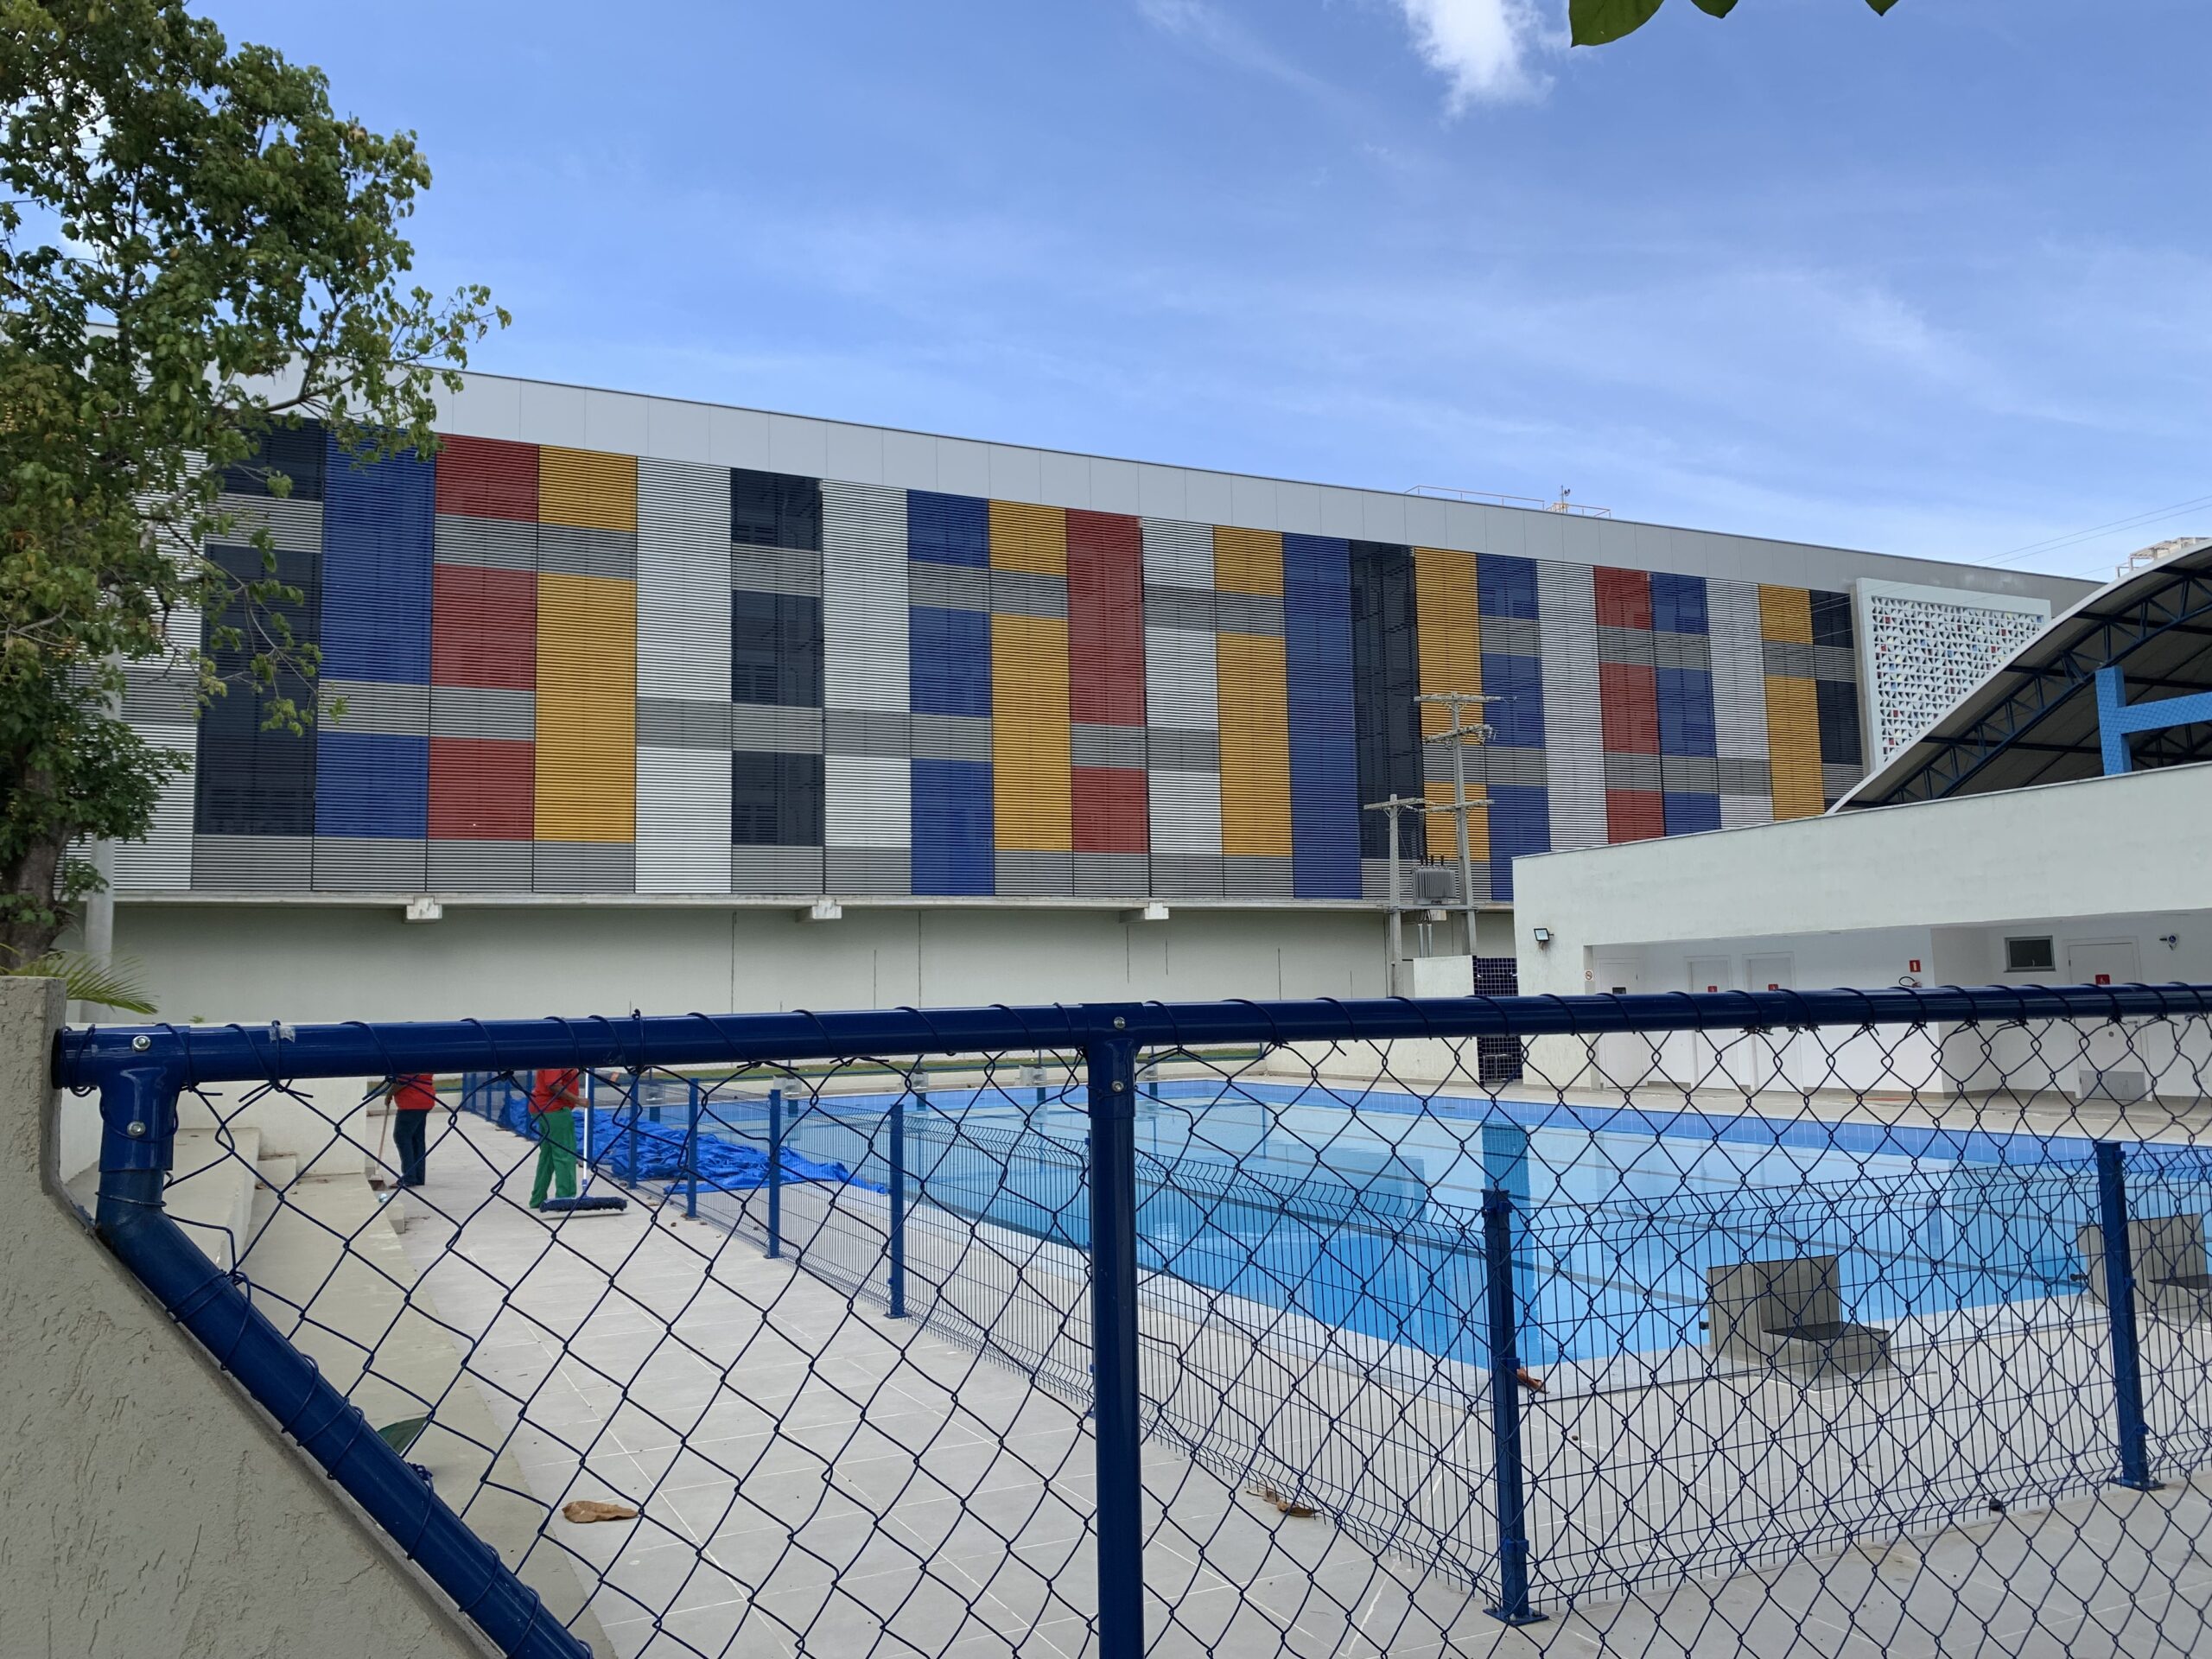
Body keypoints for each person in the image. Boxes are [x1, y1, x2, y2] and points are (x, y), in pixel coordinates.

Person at [530, 1067, 582, 1210]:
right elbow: (552, 1084)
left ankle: (538, 1198)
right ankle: (566, 1198)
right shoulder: (556, 1059)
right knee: (565, 1153)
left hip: (543, 1108)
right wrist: (578, 1100)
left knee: (547, 1156)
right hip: (555, 1109)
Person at [386, 1072, 437, 1188]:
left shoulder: (409, 1062)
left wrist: (389, 1094)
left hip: (411, 1101)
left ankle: (408, 1177)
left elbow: (404, 1080)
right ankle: (418, 1176)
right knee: (417, 1139)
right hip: (425, 1098)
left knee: (402, 1137)